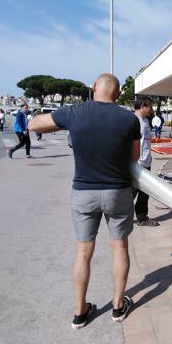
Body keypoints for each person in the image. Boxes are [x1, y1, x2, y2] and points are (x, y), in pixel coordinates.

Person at [28, 73, 141, 329]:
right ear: (118, 92)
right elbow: (133, 159)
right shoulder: (129, 119)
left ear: (93, 88)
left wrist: (66, 124)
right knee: (119, 247)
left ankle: (80, 313)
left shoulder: (75, 112)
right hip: (117, 191)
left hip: (83, 193)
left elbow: (34, 124)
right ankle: (117, 306)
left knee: (83, 252)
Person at [134, 97, 159, 226]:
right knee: (130, 194)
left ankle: (141, 218)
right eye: (150, 107)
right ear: (143, 106)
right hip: (137, 165)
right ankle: (121, 217)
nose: (152, 110)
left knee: (145, 192)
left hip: (145, 163)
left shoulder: (145, 121)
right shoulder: (134, 121)